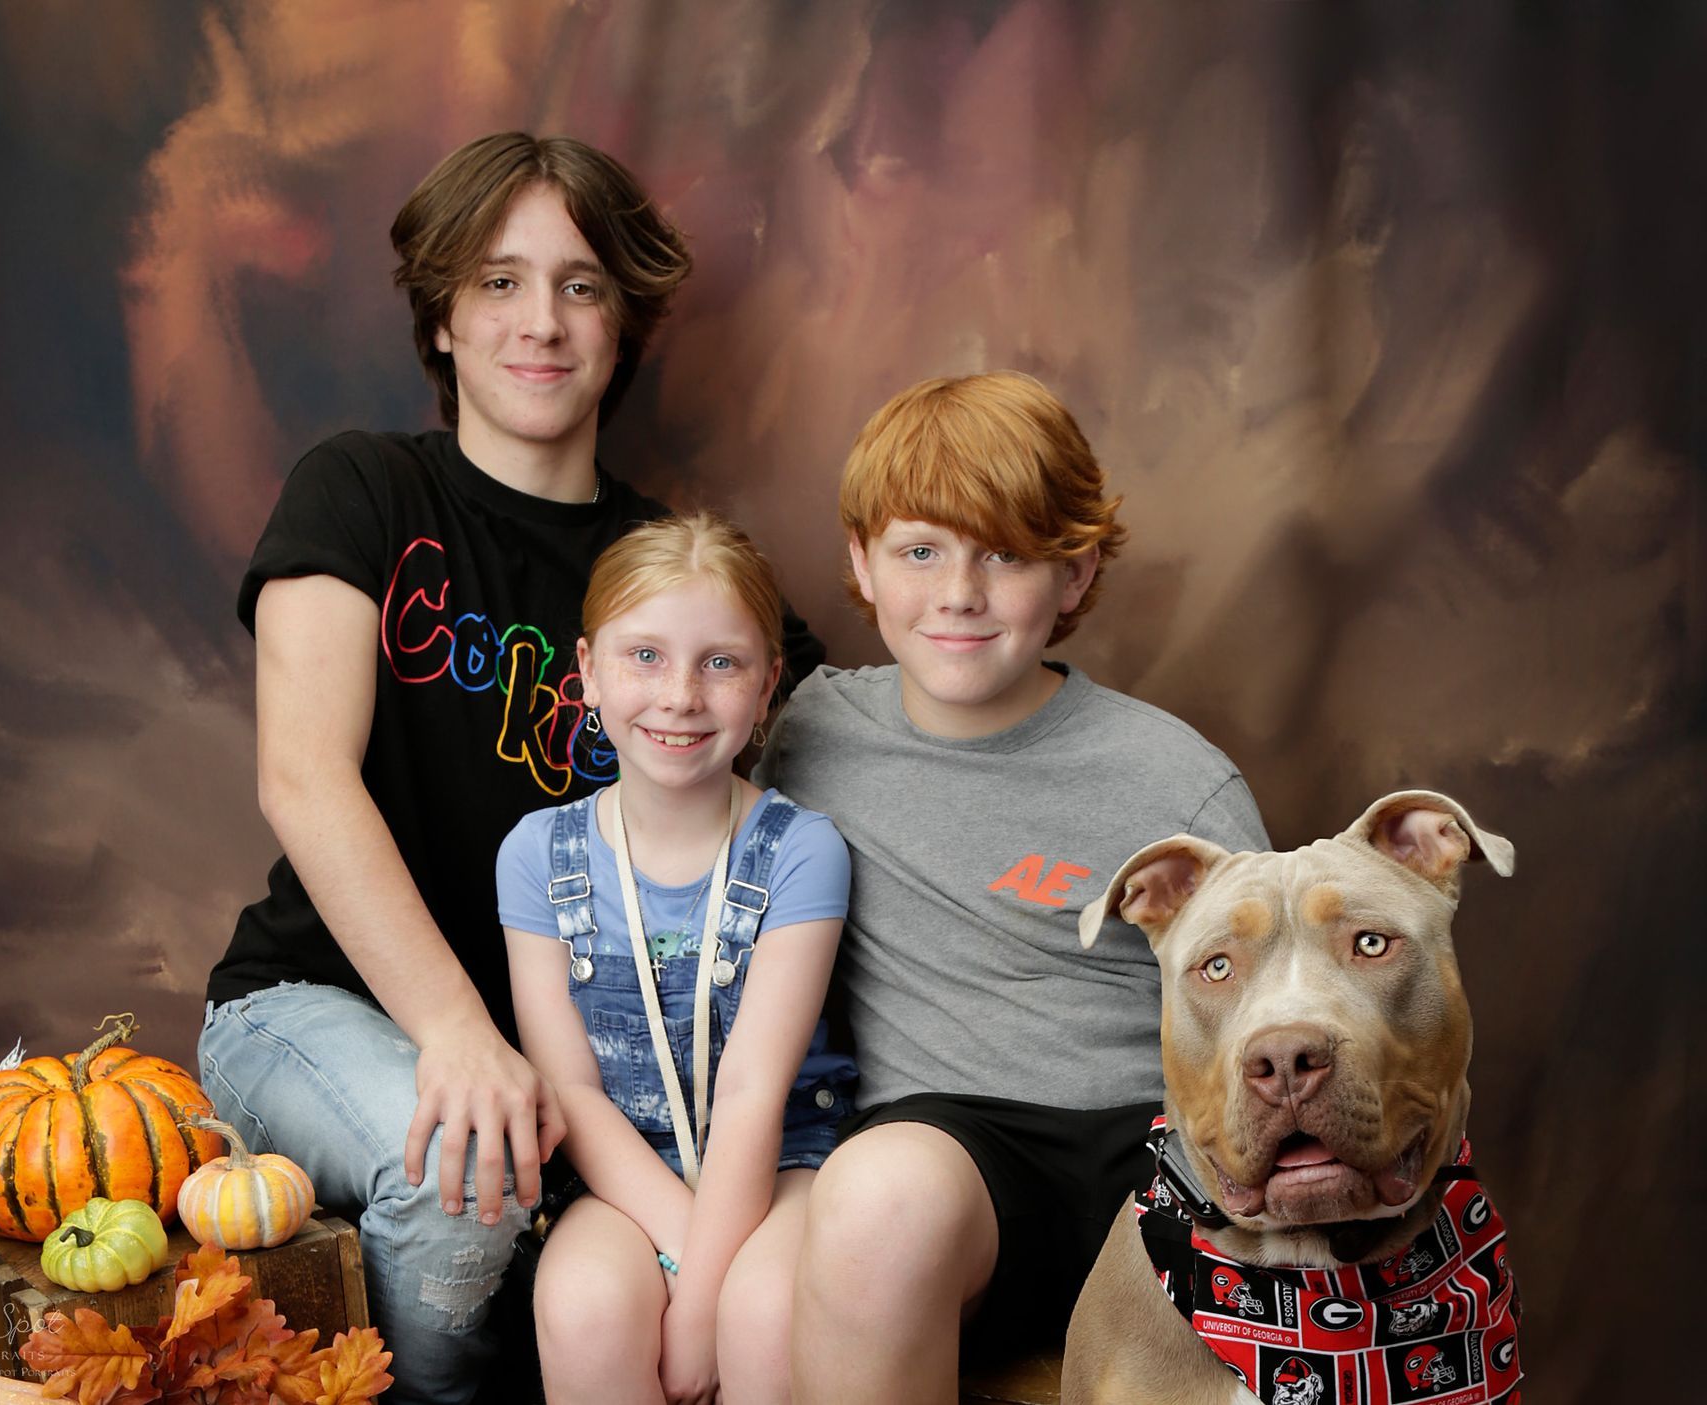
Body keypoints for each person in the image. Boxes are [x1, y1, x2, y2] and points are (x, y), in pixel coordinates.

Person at [196, 132, 821, 1405]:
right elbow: (303, 777)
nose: (541, 320)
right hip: (330, 1002)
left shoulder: (677, 576)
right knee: (464, 1172)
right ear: (439, 317)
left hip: (595, 1069)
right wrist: (459, 1034)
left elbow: (827, 771)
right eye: (498, 281)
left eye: (581, 285)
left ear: (622, 320)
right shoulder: (363, 489)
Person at [758, 372, 1271, 1404]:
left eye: (1004, 552)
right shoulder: (804, 733)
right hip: (958, 1170)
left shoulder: (1172, 776)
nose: (959, 592)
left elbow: (1273, 1000)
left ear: (1075, 575)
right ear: (860, 562)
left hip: (1157, 1151)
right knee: (874, 1194)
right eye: (920, 551)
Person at [498, 513, 855, 1405]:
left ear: (768, 684)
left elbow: (750, 1093)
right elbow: (572, 1090)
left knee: (763, 1311)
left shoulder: (802, 851)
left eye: (721, 662)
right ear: (586, 671)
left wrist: (702, 1306)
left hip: (779, 1164)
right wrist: (690, 1254)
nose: (681, 695)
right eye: (644, 656)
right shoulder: (539, 855)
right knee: (583, 1302)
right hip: (625, 1171)